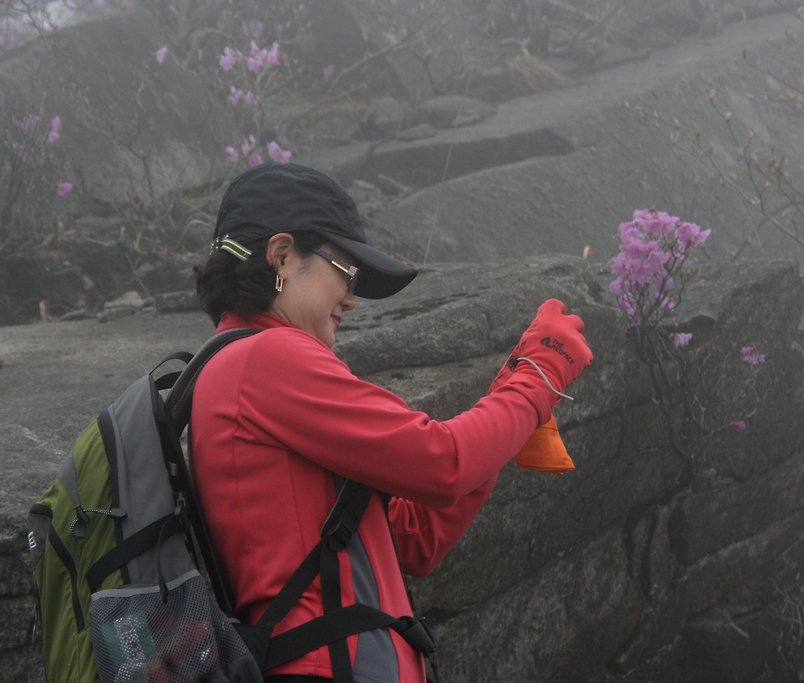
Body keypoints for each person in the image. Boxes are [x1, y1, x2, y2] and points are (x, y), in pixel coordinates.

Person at [189, 162, 592, 682]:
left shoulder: (240, 367)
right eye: (346, 272)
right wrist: (537, 375)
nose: (353, 299)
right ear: (282, 256)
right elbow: (444, 462)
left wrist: (509, 395)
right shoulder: (265, 360)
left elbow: (415, 536)